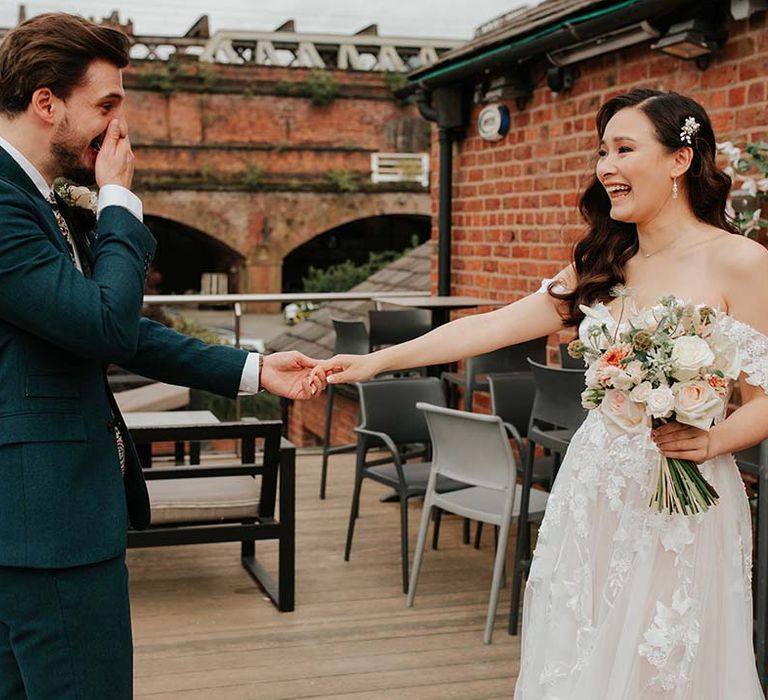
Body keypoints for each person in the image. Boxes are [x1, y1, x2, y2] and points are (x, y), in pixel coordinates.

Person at [315, 88, 768, 698]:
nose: (605, 166)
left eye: (624, 148)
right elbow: (490, 324)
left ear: (680, 159)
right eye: (602, 150)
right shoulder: (605, 262)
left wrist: (713, 439)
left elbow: (765, 397)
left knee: (665, 660)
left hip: (682, 504)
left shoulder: (742, 263)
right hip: (593, 492)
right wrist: (377, 361)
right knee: (582, 651)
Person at [0, 13, 325, 699]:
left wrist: (252, 367)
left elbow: (110, 329)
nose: (120, 128)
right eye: (107, 105)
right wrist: (119, 201)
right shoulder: (6, 204)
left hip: (34, 524)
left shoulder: (33, 198)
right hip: (48, 526)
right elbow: (104, 324)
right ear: (46, 101)